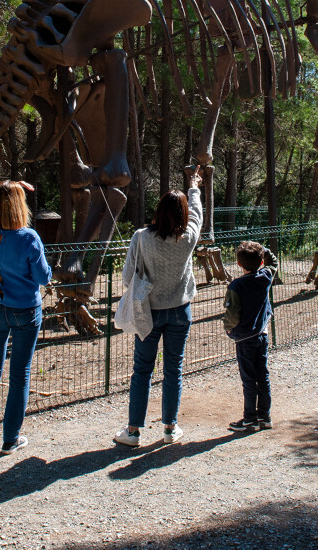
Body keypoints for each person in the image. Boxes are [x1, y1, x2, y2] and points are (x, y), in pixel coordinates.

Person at [113, 167, 204, 447]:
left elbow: (128, 277)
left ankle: (133, 431)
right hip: (179, 310)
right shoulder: (188, 237)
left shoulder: (141, 237)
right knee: (173, 369)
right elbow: (198, 214)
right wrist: (194, 186)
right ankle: (169, 428)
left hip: (147, 312)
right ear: (183, 215)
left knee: (142, 369)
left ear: (159, 210)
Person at [0, 180, 51, 453]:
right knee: (19, 374)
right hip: (25, 310)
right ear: (20, 205)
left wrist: (10, 185)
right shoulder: (29, 238)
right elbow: (43, 277)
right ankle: (10, 439)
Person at [222, 240, 278, 432]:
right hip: (262, 334)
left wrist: (228, 329)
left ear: (239, 264)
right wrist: (264, 249)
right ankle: (265, 416)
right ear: (261, 261)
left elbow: (232, 314)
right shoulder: (265, 277)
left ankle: (249, 419)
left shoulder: (236, 285)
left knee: (248, 378)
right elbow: (274, 263)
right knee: (262, 375)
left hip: (245, 338)